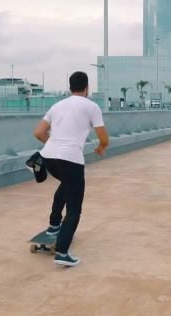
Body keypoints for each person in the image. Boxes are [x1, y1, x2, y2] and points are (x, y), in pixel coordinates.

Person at [32, 71, 109, 267]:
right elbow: (104, 137)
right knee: (74, 208)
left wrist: (55, 145)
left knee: (66, 186)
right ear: (87, 87)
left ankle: (53, 226)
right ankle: (62, 252)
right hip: (70, 160)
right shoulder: (92, 106)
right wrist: (101, 147)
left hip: (48, 157)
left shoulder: (57, 105)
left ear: (69, 87)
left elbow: (39, 132)